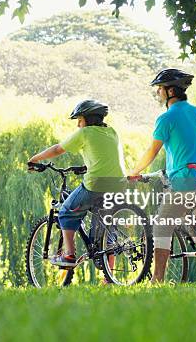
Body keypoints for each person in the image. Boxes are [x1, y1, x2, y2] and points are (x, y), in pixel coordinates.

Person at [129, 68, 196, 283]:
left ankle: (157, 280)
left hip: (183, 179)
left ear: (170, 91)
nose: (158, 93)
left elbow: (152, 152)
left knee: (162, 224)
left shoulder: (166, 118)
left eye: (159, 89)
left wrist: (135, 172)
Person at [28, 99, 126, 268]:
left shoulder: (85, 133)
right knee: (105, 228)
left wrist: (35, 159)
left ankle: (69, 255)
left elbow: (58, 149)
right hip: (118, 184)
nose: (78, 125)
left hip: (96, 183)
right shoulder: (112, 132)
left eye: (79, 120)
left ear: (88, 119)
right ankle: (110, 277)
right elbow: (104, 156)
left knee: (66, 212)